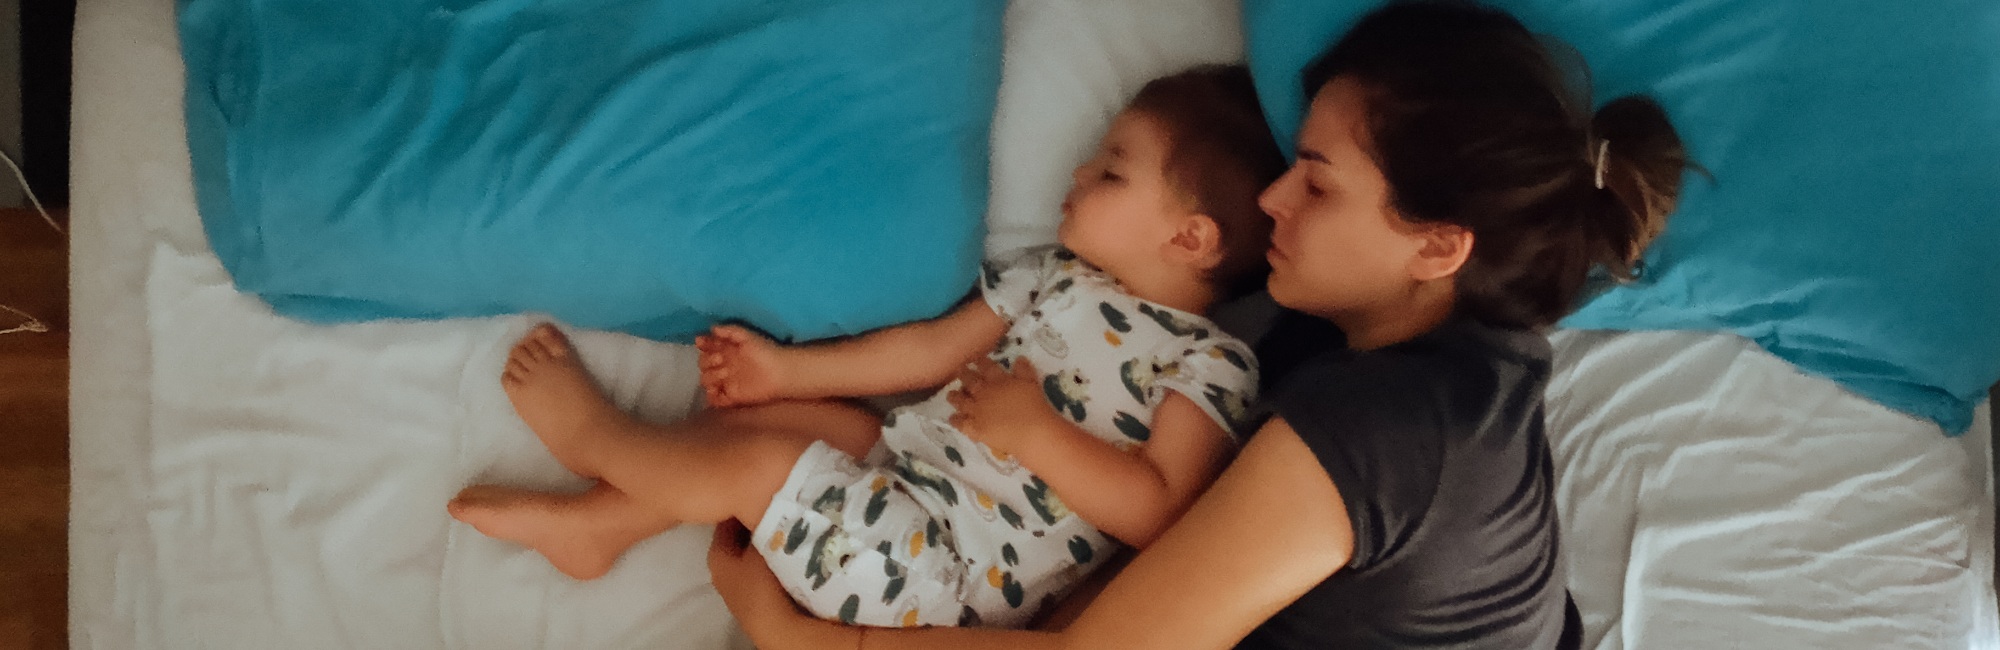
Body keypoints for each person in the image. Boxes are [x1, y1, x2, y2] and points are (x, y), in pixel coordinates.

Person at [703, 1, 1692, 648]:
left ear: (1436, 246)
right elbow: (1165, 571)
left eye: (1315, 180)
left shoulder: (1391, 432)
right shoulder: (1406, 356)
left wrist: (810, 640)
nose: (1268, 199)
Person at [445, 65, 1289, 629]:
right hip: (911, 478)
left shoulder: (1211, 363)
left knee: (758, 468)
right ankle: (599, 527)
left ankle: (597, 441)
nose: (1076, 176)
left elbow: (1163, 512)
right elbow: (927, 353)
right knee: (794, 418)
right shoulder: (1052, 277)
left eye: (1112, 172)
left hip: (943, 585)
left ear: (1192, 239)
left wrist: (1037, 434)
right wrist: (787, 368)